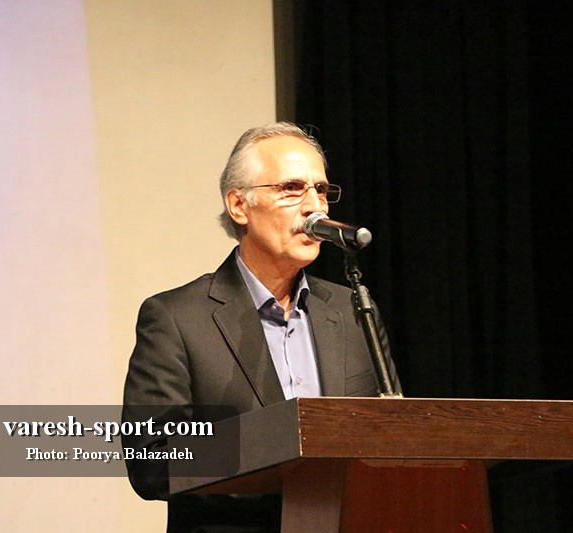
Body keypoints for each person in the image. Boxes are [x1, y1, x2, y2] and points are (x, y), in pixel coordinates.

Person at [122, 122, 401, 532]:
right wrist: (279, 443)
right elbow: (151, 461)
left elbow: (392, 435)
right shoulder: (176, 319)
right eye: (292, 188)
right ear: (239, 206)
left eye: (321, 190)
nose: (315, 208)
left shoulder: (351, 309)